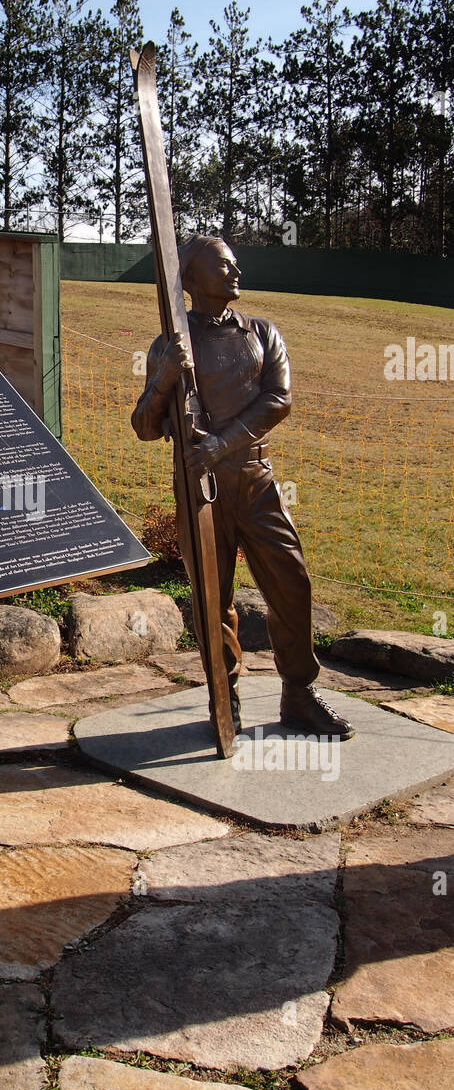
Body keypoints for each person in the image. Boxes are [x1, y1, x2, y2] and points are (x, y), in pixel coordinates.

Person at [131, 235, 353, 740]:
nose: (236, 270)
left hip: (256, 479)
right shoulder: (170, 343)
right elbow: (144, 425)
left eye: (234, 263)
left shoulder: (261, 332)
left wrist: (222, 443)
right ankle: (223, 697)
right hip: (197, 487)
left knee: (291, 583)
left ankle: (298, 694)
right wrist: (166, 378)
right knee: (214, 596)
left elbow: (279, 399)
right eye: (223, 264)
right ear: (190, 279)